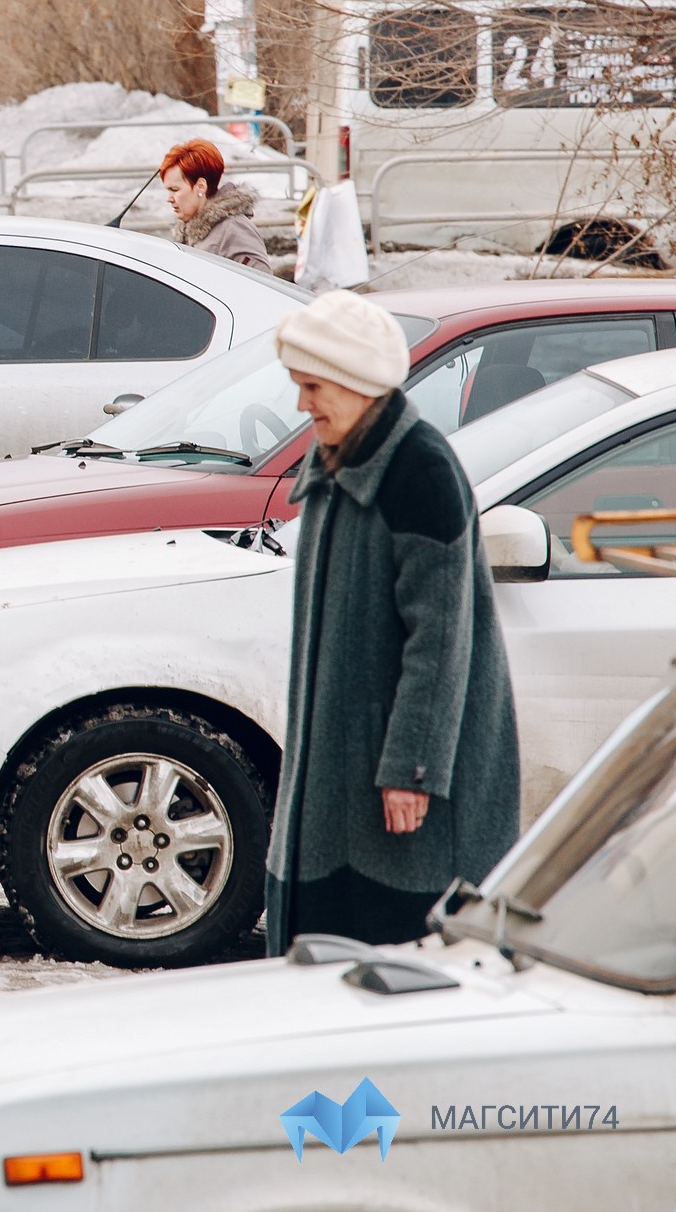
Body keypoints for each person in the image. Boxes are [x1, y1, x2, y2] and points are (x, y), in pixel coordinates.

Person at [264, 291, 519, 954]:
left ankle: (373, 1067)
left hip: (398, 790)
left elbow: (440, 638)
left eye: (312, 387)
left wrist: (412, 766)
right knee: (323, 965)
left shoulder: (418, 470)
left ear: (355, 382)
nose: (302, 405)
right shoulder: (338, 456)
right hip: (338, 775)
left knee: (389, 971)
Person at [160, 139, 269, 271]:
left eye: (175, 190)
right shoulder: (189, 230)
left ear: (200, 186)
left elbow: (261, 284)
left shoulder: (233, 229)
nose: (169, 198)